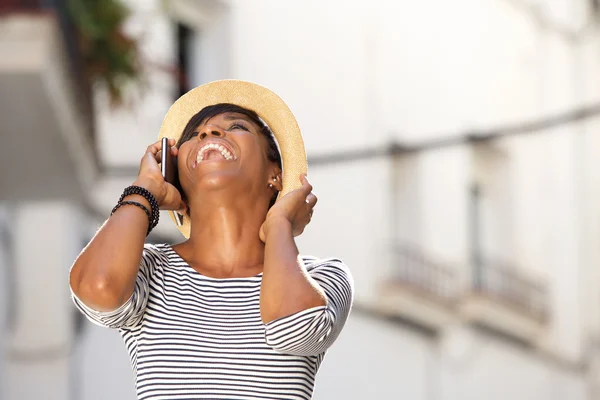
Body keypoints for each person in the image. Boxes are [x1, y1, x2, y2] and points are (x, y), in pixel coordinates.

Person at [69, 80, 354, 400]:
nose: (209, 133)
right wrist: (145, 190)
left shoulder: (321, 276)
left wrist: (279, 224)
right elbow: (97, 289)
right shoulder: (148, 269)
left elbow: (296, 328)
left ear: (275, 174)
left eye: (236, 126)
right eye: (194, 134)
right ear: (176, 174)